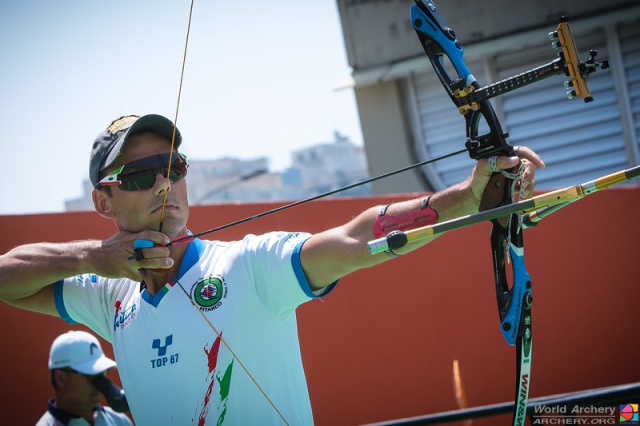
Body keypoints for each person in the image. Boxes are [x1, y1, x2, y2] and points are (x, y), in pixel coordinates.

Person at [0, 114, 544, 425]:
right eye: (142, 174)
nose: (166, 184)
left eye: (174, 167)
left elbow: (355, 238)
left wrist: (470, 198)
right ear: (104, 200)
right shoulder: (108, 294)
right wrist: (92, 258)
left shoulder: (247, 266)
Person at [37, 330, 132, 426]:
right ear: (61, 378)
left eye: (102, 373)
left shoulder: (120, 420)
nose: (100, 383)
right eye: (91, 374)